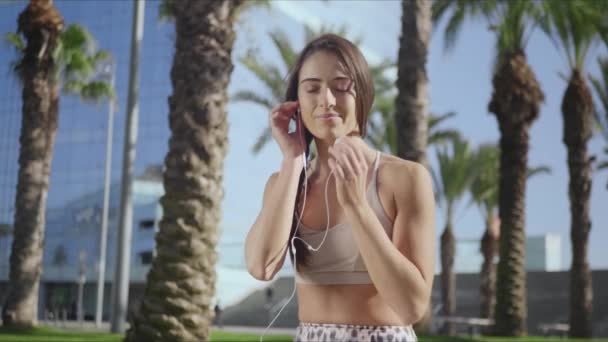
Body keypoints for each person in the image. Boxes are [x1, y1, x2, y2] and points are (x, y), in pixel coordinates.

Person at [244, 33, 435, 342]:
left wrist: (357, 206)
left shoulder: (405, 178)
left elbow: (412, 306)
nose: (327, 100)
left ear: (362, 93)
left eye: (341, 85)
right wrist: (293, 159)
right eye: (312, 88)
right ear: (297, 103)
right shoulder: (285, 185)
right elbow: (261, 266)